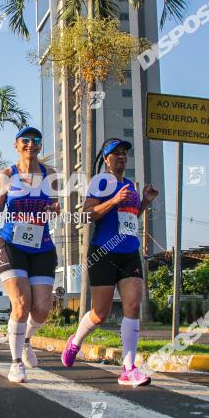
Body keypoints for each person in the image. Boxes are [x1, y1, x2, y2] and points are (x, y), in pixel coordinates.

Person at [61, 138, 159, 387]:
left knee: (133, 306)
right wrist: (114, 200)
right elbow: (85, 214)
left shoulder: (129, 185)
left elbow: (130, 217)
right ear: (106, 159)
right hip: (103, 252)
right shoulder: (100, 182)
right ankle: (76, 341)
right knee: (100, 313)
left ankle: (128, 368)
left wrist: (144, 201)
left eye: (124, 152)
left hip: (129, 251)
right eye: (115, 153)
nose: (121, 157)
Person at [0, 127, 59, 383]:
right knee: (21, 304)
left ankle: (26, 339)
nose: (31, 144)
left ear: (40, 145)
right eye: (25, 140)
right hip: (10, 244)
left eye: (36, 140)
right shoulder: (7, 175)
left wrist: (54, 208)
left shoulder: (51, 175)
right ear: (16, 145)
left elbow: (55, 209)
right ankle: (16, 363)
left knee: (42, 310)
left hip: (42, 246)